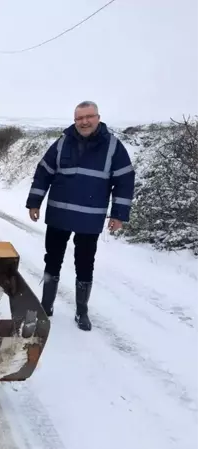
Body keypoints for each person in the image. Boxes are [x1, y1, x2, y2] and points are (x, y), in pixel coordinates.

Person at [25, 101, 135, 331]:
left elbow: (124, 181)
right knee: (52, 260)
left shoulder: (113, 147)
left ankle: (81, 311)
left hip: (89, 218)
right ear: (75, 120)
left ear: (98, 117)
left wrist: (118, 215)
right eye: (79, 118)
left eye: (89, 117)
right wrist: (34, 202)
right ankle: (47, 305)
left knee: (85, 264)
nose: (84, 122)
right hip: (58, 215)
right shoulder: (63, 143)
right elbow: (43, 172)